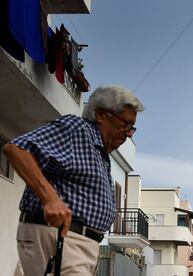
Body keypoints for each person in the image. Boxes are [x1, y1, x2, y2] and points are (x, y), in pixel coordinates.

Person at [2, 85, 144, 275]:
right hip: (63, 239)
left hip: (78, 244)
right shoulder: (77, 130)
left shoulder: (100, 153)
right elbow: (17, 150)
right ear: (101, 115)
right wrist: (50, 199)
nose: (128, 133)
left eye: (132, 128)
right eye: (125, 124)